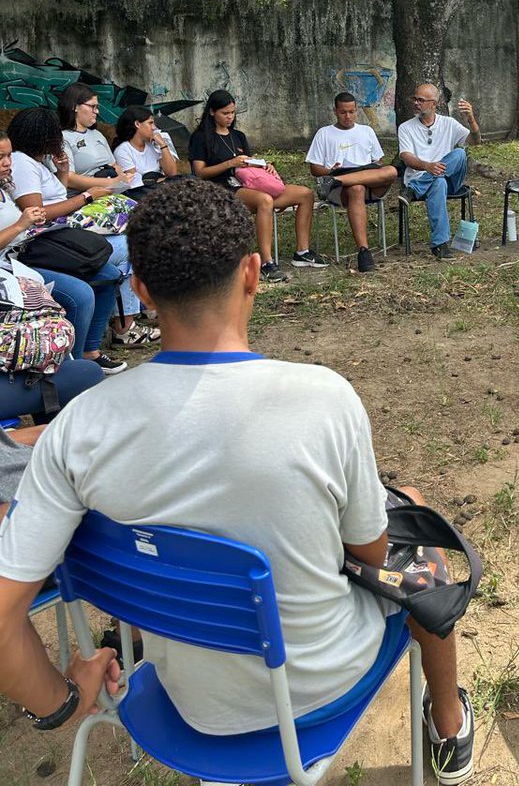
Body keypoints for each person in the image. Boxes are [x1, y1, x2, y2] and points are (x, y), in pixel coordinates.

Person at [0, 180, 476, 784]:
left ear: (140, 288)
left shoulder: (77, 428)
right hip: (321, 683)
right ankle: (449, 717)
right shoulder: (323, 398)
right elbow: (372, 554)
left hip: (189, 702)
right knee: (417, 526)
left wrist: (60, 701)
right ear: (252, 272)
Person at [8, 107, 155, 353]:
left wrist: (63, 174)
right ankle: (125, 325)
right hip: (45, 241)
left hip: (60, 234)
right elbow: (37, 213)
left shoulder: (37, 162)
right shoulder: (23, 163)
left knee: (113, 267)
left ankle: (102, 340)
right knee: (130, 246)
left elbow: (53, 198)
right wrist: (86, 197)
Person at [0, 130, 123, 375]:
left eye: (8, 156)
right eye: (0, 157)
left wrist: (63, 174)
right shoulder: (24, 168)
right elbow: (31, 217)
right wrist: (20, 225)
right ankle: (70, 371)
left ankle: (89, 351)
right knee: (81, 295)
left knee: (108, 272)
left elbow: (43, 208)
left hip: (28, 252)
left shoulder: (6, 186)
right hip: (15, 265)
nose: (7, 162)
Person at [188, 91, 326, 281]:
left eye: (233, 113)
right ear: (212, 112)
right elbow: (200, 172)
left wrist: (265, 165)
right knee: (265, 200)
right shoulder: (201, 137)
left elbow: (250, 163)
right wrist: (230, 163)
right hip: (221, 189)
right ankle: (266, 262)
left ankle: (302, 252)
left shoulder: (238, 136)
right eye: (225, 113)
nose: (230, 117)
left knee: (305, 194)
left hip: (247, 184)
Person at [306, 93, 398, 273]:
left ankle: (335, 181)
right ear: (335, 111)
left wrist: (366, 169)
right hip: (341, 191)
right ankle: (364, 251)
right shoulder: (324, 133)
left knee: (392, 171)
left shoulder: (367, 131)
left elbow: (378, 162)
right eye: (343, 112)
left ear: (357, 111)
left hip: (362, 181)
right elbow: (314, 169)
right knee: (356, 188)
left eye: (351, 112)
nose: (348, 116)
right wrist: (331, 171)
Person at [397, 84, 480, 259]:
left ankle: (415, 189)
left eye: (421, 100)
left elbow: (475, 141)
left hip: (451, 180)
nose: (416, 103)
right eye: (415, 99)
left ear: (434, 103)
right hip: (430, 177)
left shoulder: (448, 123)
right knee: (438, 181)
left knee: (459, 153)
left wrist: (471, 119)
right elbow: (405, 157)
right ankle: (440, 245)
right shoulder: (406, 127)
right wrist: (428, 166)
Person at [58, 84, 136, 195]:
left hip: (112, 191)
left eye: (97, 107)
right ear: (74, 106)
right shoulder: (63, 138)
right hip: (83, 197)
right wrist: (111, 182)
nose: (97, 112)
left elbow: (114, 165)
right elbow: (69, 179)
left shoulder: (97, 134)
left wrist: (124, 177)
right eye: (92, 106)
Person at [112, 106, 179, 193]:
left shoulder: (154, 144)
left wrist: (163, 145)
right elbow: (136, 183)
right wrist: (161, 180)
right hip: (143, 193)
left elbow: (172, 173)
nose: (154, 128)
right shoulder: (123, 150)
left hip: (161, 187)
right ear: (137, 124)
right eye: (150, 123)